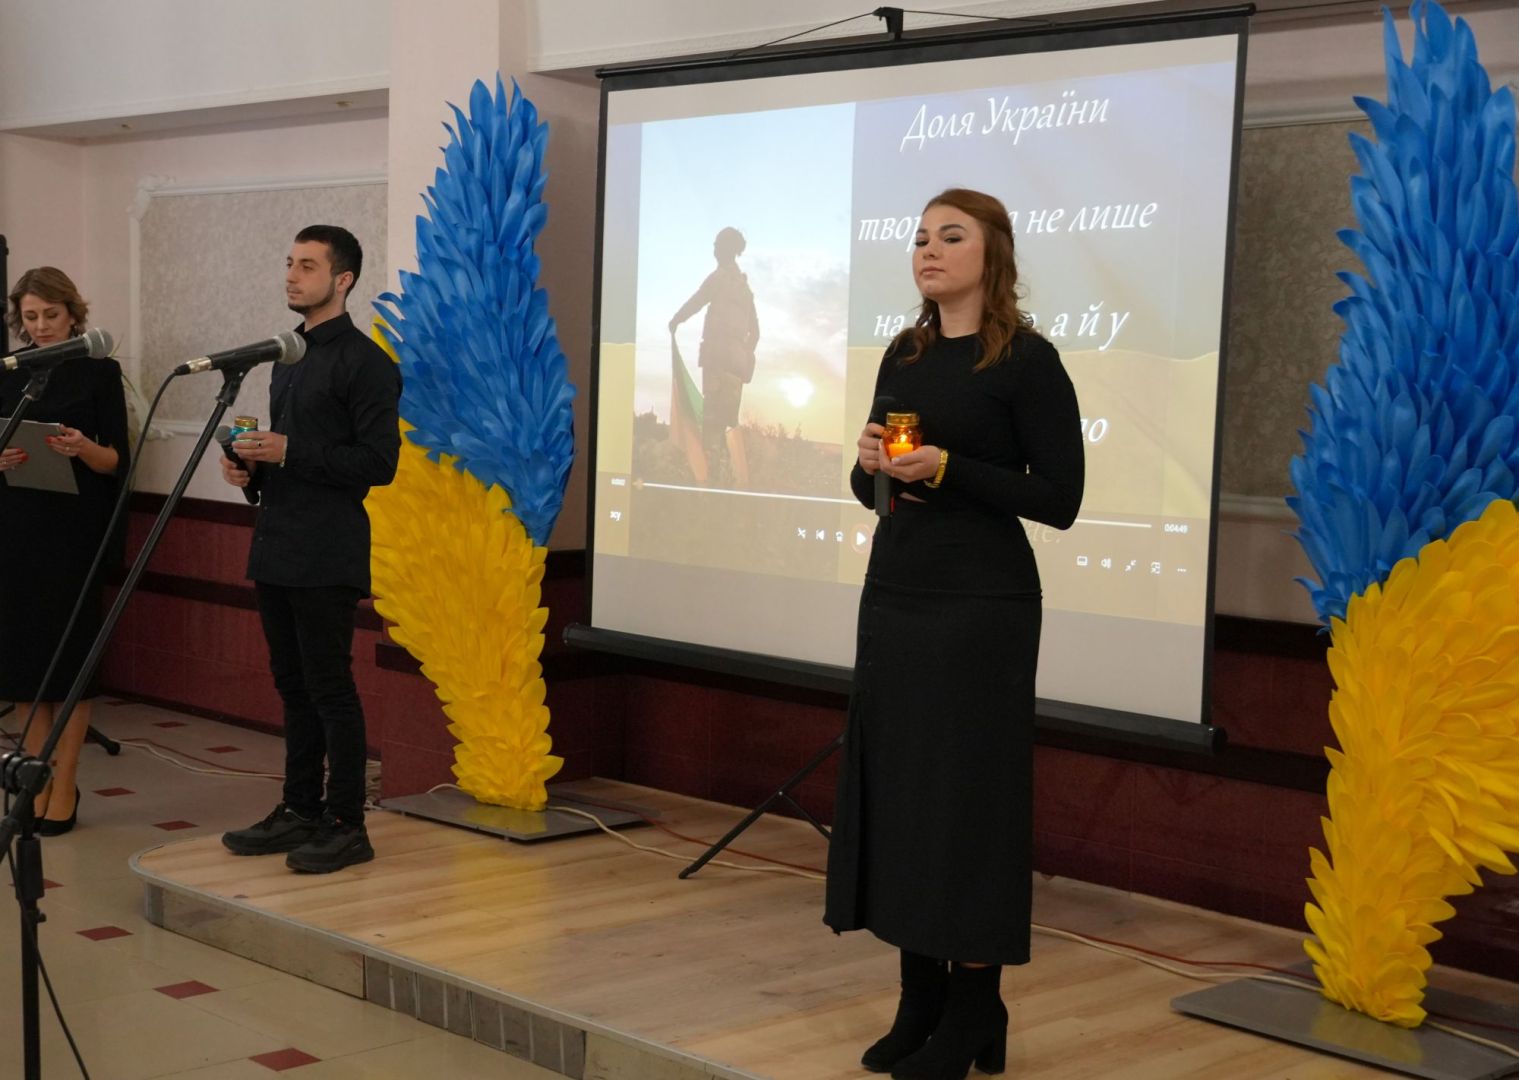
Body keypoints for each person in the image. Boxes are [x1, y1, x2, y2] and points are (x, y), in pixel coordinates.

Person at [823, 189, 1084, 1079]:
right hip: (897, 592)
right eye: (919, 238)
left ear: (991, 253)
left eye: (950, 236)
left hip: (981, 606)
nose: (927, 250)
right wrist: (869, 467)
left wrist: (950, 468)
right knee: (903, 796)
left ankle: (974, 1009)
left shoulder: (1027, 361)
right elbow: (877, 492)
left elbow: (1058, 499)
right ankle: (920, 999)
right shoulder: (905, 351)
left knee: (965, 804)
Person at [220, 225, 400, 874]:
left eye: (307, 266)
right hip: (278, 542)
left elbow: (378, 464)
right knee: (292, 687)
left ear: (342, 280)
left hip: (327, 551)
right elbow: (287, 461)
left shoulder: (367, 363)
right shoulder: (286, 357)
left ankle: (346, 823)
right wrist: (250, 471)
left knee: (329, 688)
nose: (292, 276)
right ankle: (299, 808)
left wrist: (290, 450)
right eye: (289, 264)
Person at [0, 267, 130, 836]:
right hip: (18, 531)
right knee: (26, 665)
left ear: (73, 313)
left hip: (74, 534)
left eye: (51, 315)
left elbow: (117, 461)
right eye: (30, 317)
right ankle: (37, 780)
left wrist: (82, 448)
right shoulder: (10, 371)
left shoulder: (99, 370)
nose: (41, 326)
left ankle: (68, 781)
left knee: (70, 660)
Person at [668, 226, 760, 483]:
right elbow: (756, 333)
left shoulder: (719, 278)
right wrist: (742, 353)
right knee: (727, 423)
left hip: (717, 361)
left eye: (717, 245)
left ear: (726, 249)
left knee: (712, 424)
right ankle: (726, 478)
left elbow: (697, 301)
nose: (714, 249)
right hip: (736, 368)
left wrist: (675, 320)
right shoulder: (744, 288)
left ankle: (710, 481)